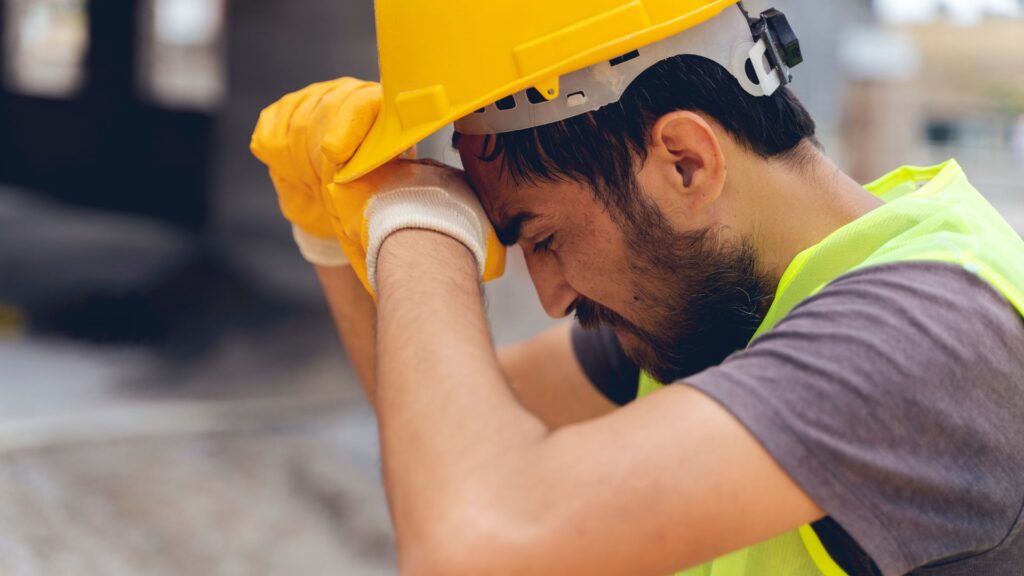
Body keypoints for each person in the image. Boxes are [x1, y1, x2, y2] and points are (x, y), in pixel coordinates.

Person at [250, 2, 1024, 574]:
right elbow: (433, 441)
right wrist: (329, 230)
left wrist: (418, 219)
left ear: (685, 161)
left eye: (543, 237)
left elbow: (476, 535)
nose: (550, 296)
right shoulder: (728, 306)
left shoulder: (926, 334)